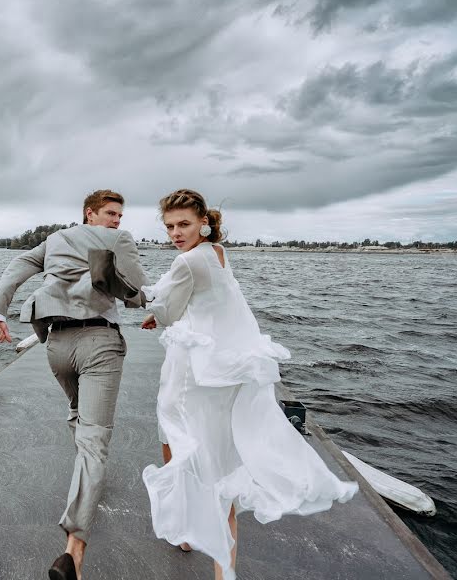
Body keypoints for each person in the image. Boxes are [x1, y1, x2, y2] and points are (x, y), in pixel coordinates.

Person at [140, 189, 358, 580]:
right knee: (220, 461)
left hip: (192, 375)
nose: (175, 232)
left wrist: (153, 312)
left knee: (179, 445)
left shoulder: (187, 261)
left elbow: (169, 310)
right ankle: (222, 567)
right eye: (170, 225)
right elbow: (214, 304)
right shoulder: (219, 254)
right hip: (224, 372)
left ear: (203, 221)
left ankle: (186, 530)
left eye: (184, 224)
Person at [0, 189, 147, 580]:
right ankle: (74, 549)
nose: (117, 221)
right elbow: (136, 288)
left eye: (120, 216)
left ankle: (87, 481)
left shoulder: (56, 239)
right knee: (95, 439)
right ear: (90, 213)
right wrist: (141, 300)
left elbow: (18, 267)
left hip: (55, 343)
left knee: (77, 413)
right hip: (98, 343)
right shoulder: (118, 241)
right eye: (111, 213)